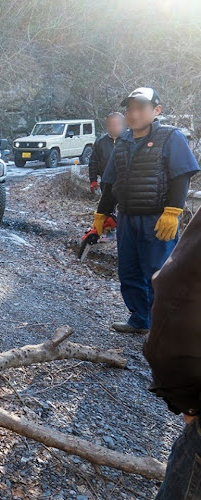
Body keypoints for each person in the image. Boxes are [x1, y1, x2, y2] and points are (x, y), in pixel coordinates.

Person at [91, 87, 199, 334]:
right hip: (127, 218)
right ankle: (140, 320)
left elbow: (181, 177)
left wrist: (172, 212)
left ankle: (165, 327)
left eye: (141, 108)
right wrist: (101, 215)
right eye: (130, 108)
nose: (133, 113)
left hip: (158, 219)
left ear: (156, 110)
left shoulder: (171, 137)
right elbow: (110, 184)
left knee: (159, 274)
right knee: (129, 271)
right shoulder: (123, 142)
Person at [143, 208, 201, 499]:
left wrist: (186, 400)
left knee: (153, 264)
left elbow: (180, 292)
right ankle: (136, 316)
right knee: (133, 267)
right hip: (130, 213)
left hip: (155, 216)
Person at [88, 112, 126, 192]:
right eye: (110, 124)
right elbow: (93, 162)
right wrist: (93, 180)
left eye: (117, 124)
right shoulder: (100, 142)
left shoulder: (129, 139)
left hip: (126, 184)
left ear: (123, 125)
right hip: (106, 183)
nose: (113, 127)